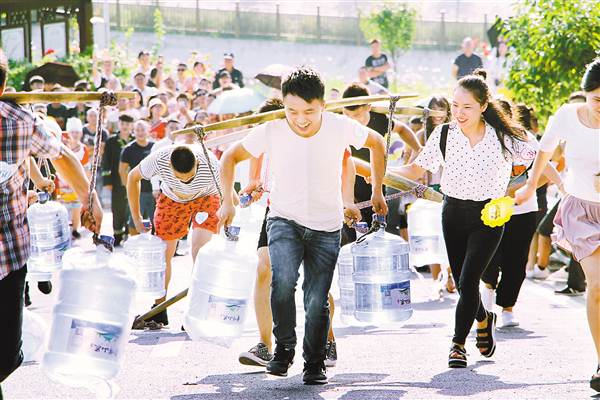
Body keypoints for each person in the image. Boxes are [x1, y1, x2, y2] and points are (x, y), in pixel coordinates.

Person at [219, 66, 387, 384]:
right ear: (283, 105)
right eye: (292, 110)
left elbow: (377, 144)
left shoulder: (340, 127)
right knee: (282, 284)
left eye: (309, 111)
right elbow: (229, 156)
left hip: (327, 224)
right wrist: (227, 201)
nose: (301, 119)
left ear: (323, 105)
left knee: (316, 296)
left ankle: (315, 362)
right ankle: (283, 350)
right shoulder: (272, 130)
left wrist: (377, 190)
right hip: (284, 219)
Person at [391, 70, 535, 368]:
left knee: (469, 280)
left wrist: (508, 191)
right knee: (462, 282)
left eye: (466, 107)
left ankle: (457, 345)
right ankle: (483, 317)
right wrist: (377, 172)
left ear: (483, 106)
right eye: (455, 105)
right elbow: (415, 172)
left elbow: (533, 162)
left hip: (489, 216)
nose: (459, 112)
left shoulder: (504, 136)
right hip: (453, 212)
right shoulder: (443, 134)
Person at [0, 54, 102, 397]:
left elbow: (58, 153)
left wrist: (89, 199)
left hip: (8, 254)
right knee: (3, 358)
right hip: (10, 253)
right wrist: (90, 198)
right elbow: (64, 155)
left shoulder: (19, 121)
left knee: (6, 359)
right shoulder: (20, 118)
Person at [237, 98, 352, 369]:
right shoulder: (262, 143)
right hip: (278, 213)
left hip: (318, 212)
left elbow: (349, 164)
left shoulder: (315, 133)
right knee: (265, 270)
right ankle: (266, 345)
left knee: (314, 285)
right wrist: (250, 190)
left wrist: (348, 199)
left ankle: (326, 340)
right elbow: (254, 182)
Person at [514, 59, 600, 392]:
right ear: (584, 95)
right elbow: (544, 153)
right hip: (579, 210)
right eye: (596, 100)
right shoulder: (567, 116)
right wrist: (527, 187)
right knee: (597, 283)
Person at [480, 99, 561, 327]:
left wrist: (556, 187)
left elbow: (544, 165)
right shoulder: (482, 139)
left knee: (516, 262)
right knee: (489, 258)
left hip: (523, 210)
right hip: (490, 210)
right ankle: (486, 298)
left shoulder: (524, 138)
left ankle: (507, 308)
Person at [127, 144, 222, 326]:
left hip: (206, 198)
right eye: (181, 178)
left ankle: (197, 311)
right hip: (173, 199)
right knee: (163, 255)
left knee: (200, 252)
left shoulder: (211, 163)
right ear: (169, 166)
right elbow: (133, 177)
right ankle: (159, 309)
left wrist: (231, 209)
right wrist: (136, 217)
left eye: (190, 177)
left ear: (198, 164)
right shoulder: (159, 159)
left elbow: (227, 187)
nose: (186, 181)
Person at [341, 82, 421, 240]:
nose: (352, 121)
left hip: (374, 183)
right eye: (347, 116)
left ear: (368, 108)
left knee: (375, 233)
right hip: (347, 183)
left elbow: (402, 129)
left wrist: (417, 148)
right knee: (350, 235)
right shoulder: (339, 123)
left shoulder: (379, 120)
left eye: (357, 116)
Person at [56, 118, 92, 239]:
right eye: (73, 132)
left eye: (77, 132)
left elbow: (87, 168)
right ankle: (64, 230)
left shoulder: (83, 149)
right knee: (64, 207)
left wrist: (88, 184)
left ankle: (75, 229)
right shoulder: (63, 147)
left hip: (78, 182)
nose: (75, 135)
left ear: (81, 134)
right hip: (63, 180)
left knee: (77, 206)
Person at [102, 113, 134, 246]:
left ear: (131, 125)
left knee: (131, 206)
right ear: (119, 124)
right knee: (118, 207)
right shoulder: (111, 141)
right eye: (123, 124)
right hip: (116, 180)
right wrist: (107, 181)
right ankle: (117, 234)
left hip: (133, 180)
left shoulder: (135, 140)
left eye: (128, 124)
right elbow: (106, 161)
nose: (125, 127)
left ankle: (129, 232)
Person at [120, 120, 155, 232]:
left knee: (157, 221)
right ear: (133, 132)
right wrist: (129, 189)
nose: (140, 133)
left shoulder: (154, 147)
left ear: (148, 131)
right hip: (138, 191)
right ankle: (134, 246)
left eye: (142, 130)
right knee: (134, 223)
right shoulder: (128, 149)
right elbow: (122, 170)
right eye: (137, 130)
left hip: (155, 190)